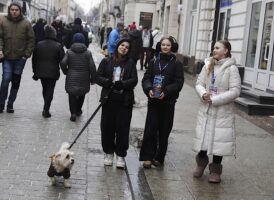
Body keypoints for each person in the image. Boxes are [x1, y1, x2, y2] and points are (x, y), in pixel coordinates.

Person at [193, 40, 241, 183]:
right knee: (203, 138)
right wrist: (203, 94)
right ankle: (200, 164)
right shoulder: (208, 64)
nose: (214, 50)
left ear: (226, 51)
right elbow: (199, 83)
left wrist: (216, 99)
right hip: (206, 108)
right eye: (213, 47)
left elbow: (236, 91)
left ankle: (215, 170)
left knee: (219, 141)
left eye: (217, 48)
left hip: (222, 110)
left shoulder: (232, 69)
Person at [139, 36, 184, 168]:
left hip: (168, 102)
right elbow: (146, 79)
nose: (165, 47)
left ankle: (159, 157)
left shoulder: (177, 63)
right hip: (153, 101)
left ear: (172, 47)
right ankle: (147, 157)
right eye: (163, 45)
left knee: (164, 131)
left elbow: (178, 82)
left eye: (168, 45)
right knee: (150, 129)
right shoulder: (153, 62)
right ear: (160, 46)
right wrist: (148, 89)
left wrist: (167, 91)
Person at [96, 38, 138, 169]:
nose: (124, 48)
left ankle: (120, 155)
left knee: (122, 129)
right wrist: (107, 82)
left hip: (124, 102)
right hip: (108, 100)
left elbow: (134, 80)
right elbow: (97, 77)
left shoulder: (131, 63)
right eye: (122, 45)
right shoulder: (107, 60)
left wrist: (123, 84)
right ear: (118, 46)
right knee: (107, 128)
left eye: (127, 47)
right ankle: (108, 152)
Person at [0, 2, 35, 113]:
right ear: (9, 10)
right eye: (12, 9)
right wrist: (0, 49)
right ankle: (1, 104)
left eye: (16, 10)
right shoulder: (4, 22)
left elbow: (31, 40)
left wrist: (26, 55)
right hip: (7, 57)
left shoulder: (26, 24)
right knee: (5, 80)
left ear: (20, 11)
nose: (14, 11)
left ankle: (10, 104)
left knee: (15, 82)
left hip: (20, 59)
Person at [60, 33, 96, 122]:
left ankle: (73, 113)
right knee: (82, 93)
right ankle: (78, 110)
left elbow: (63, 63)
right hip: (84, 77)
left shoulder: (69, 52)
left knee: (71, 94)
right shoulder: (88, 53)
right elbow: (92, 66)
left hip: (71, 76)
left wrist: (66, 71)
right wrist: (93, 79)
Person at [32, 25, 65, 118]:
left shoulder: (39, 44)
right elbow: (63, 60)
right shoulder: (58, 46)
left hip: (41, 71)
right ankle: (46, 109)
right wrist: (65, 70)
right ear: (54, 34)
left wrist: (35, 72)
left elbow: (34, 59)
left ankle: (46, 106)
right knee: (50, 90)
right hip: (53, 72)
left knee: (45, 89)